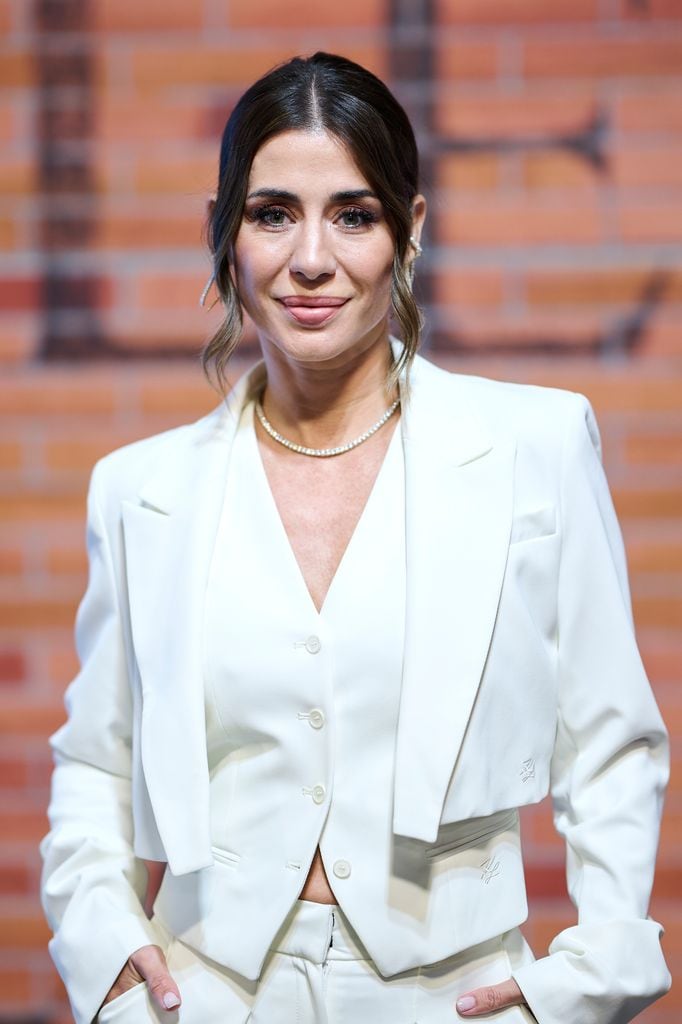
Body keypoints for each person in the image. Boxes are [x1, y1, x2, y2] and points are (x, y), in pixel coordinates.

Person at [40, 52, 671, 1024]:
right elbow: (97, 759)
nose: (310, 258)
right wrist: (106, 949)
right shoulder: (142, 490)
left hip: (454, 994)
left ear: (408, 231)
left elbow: (609, 742)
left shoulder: (528, 450)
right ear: (227, 232)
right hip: (203, 993)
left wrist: (589, 973)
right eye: (272, 212)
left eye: (353, 214)